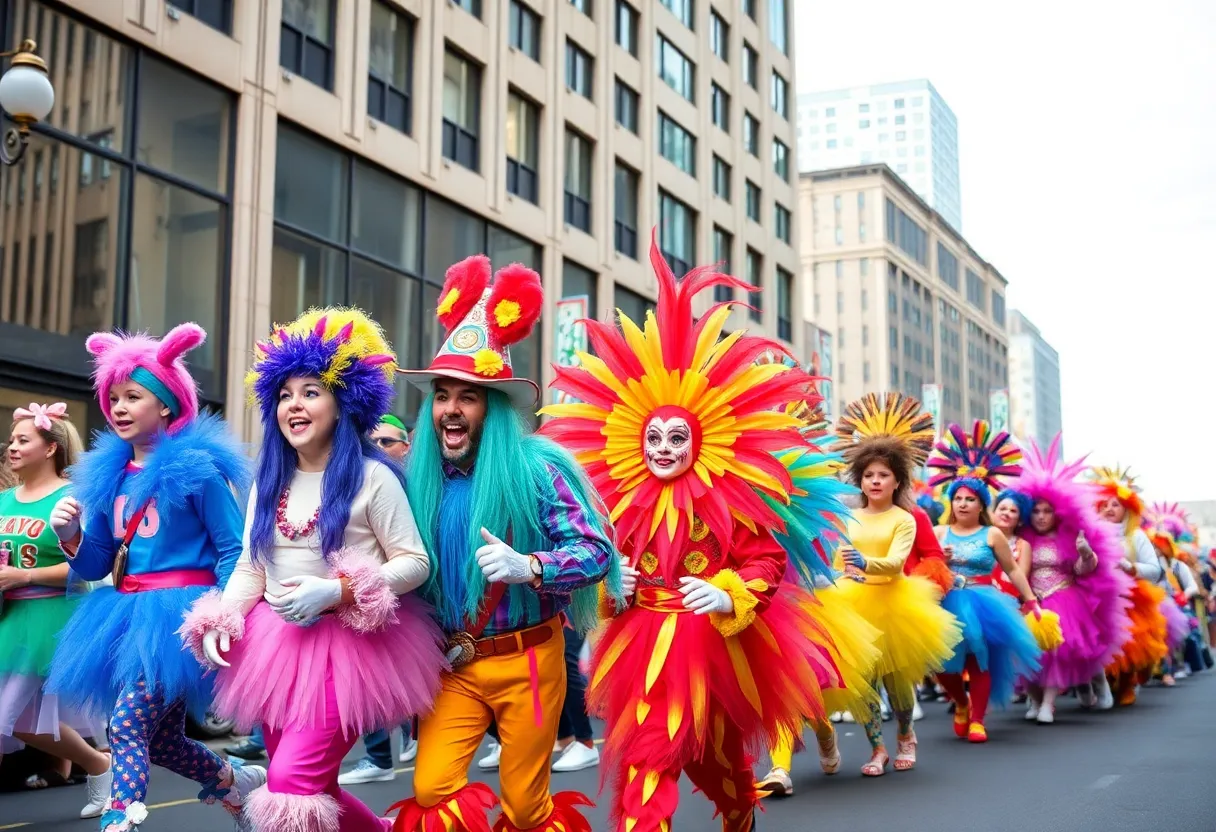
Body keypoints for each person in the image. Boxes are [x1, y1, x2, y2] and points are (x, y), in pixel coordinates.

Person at [542, 240, 854, 831]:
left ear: (699, 441)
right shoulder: (620, 502)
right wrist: (616, 585)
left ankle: (740, 816)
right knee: (644, 765)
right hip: (642, 643)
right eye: (653, 439)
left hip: (710, 646)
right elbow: (601, 569)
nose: (662, 449)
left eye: (675, 439)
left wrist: (729, 592)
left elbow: (765, 561)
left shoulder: (730, 502)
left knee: (720, 768)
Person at [181, 309, 445, 832]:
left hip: (351, 652)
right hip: (275, 651)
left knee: (290, 783)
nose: (294, 405)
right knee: (312, 787)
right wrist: (223, 616)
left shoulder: (373, 477)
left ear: (343, 403)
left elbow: (415, 563)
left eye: (310, 392)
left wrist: (338, 590)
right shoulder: (269, 481)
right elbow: (253, 569)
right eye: (284, 394)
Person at [390, 256, 618, 832]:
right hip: (454, 665)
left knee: (523, 807)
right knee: (431, 787)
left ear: (491, 407)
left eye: (467, 396)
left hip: (531, 662)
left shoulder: (541, 469)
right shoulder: (417, 479)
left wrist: (531, 566)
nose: (450, 409)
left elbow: (596, 550)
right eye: (442, 396)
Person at [45, 324, 265, 832]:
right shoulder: (107, 477)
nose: (118, 407)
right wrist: (72, 535)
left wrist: (223, 614)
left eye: (133, 396)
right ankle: (234, 783)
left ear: (166, 405)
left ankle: (121, 814)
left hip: (182, 616)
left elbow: (234, 549)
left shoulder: (200, 470)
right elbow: (97, 564)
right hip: (123, 616)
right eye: (113, 397)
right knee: (161, 739)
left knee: (124, 722)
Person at [831, 393, 962, 775]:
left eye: (883, 475)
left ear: (897, 480)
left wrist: (864, 563)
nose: (875, 481)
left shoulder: (904, 519)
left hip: (894, 602)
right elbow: (842, 561)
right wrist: (846, 572)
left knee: (899, 684)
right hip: (853, 603)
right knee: (864, 682)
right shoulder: (849, 517)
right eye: (869, 475)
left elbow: (893, 565)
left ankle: (906, 735)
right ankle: (877, 749)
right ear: (860, 479)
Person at [0, 403, 112, 818]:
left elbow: (87, 566)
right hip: (5, 619)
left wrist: (25, 578)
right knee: (26, 724)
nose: (12, 447)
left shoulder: (71, 499)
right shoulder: (3, 499)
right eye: (12, 440)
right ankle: (99, 764)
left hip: (45, 621)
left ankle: (99, 766)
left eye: (23, 440)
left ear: (50, 448)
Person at [925, 423, 1054, 738]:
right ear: (952, 503)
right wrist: (940, 559)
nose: (964, 504)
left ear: (982, 505)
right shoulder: (939, 533)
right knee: (941, 664)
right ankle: (960, 702)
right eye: (959, 498)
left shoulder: (992, 533)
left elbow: (1013, 570)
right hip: (946, 602)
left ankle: (978, 719)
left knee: (979, 658)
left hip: (984, 602)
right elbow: (923, 567)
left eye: (971, 499)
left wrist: (1031, 600)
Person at [339, 410, 420, 787]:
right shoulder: (359, 477)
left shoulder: (414, 481)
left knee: (408, 681)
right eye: (375, 441)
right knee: (366, 681)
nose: (380, 447)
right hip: (367, 600)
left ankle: (413, 731)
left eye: (388, 441)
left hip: (412, 599)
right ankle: (379, 755)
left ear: (406, 445)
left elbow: (417, 555)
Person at [1090, 466, 1169, 706]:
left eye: (1115, 504)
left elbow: (1155, 570)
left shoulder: (1136, 537)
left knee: (1129, 642)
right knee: (1097, 642)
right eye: (1104, 504)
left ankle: (1126, 683)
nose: (1109, 509)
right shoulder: (1090, 534)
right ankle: (1101, 683)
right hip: (1097, 596)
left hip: (1132, 598)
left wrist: (1131, 568)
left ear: (1126, 509)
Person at [992, 490, 1033, 600]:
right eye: (1002, 509)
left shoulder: (1023, 545)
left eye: (1013, 511)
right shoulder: (981, 536)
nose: (1006, 513)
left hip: (1008, 603)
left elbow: (1021, 581)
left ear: (1020, 521)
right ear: (993, 513)